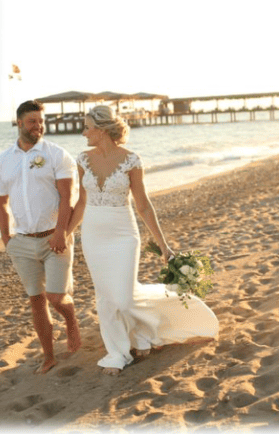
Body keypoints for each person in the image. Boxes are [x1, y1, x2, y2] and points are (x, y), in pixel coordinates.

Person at [77, 105, 218, 375]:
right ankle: (117, 352)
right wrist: (64, 231)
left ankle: (147, 330)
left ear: (102, 129)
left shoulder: (132, 160)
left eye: (86, 127)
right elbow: (81, 202)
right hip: (93, 235)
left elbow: (143, 205)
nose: (83, 133)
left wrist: (163, 245)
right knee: (106, 298)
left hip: (123, 234)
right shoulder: (82, 159)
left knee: (125, 299)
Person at [0, 100, 83, 374]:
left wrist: (61, 232)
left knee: (56, 297)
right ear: (19, 123)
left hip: (53, 239)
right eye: (32, 122)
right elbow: (0, 202)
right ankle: (48, 356)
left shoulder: (57, 154)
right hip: (21, 242)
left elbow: (67, 196)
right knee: (36, 300)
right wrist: (7, 240)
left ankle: (70, 321)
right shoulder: (4, 159)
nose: (38, 127)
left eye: (41, 122)